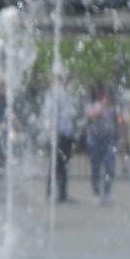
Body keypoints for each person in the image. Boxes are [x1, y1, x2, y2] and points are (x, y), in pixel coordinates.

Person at [83, 83, 119, 204]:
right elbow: (91, 117)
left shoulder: (111, 105)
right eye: (98, 91)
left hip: (108, 140)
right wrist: (102, 106)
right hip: (95, 139)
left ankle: (107, 193)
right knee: (96, 167)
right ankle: (97, 194)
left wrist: (120, 117)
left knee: (110, 167)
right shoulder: (92, 104)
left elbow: (118, 119)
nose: (101, 93)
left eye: (102, 91)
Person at [44, 71, 77, 203]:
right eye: (67, 79)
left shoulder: (67, 95)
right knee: (55, 165)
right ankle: (51, 193)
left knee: (64, 165)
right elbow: (48, 114)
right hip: (58, 135)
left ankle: (62, 194)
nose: (69, 82)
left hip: (67, 135)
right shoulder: (54, 94)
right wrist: (53, 132)